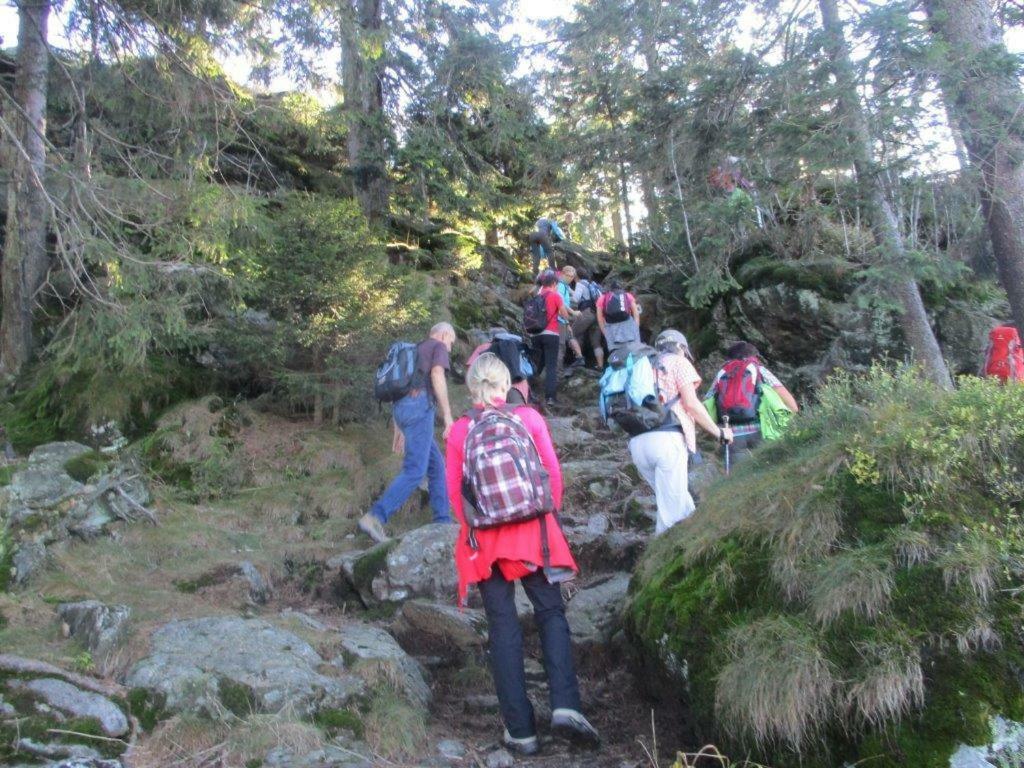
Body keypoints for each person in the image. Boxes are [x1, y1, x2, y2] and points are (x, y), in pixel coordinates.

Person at [446, 353, 600, 755]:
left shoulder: (461, 430)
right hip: (534, 534)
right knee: (550, 612)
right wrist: (546, 516)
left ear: (471, 387)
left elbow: (454, 498)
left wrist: (478, 529)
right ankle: (566, 705)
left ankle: (521, 730)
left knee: (503, 627)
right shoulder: (528, 418)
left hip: (486, 543)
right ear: (506, 384)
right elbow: (552, 473)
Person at [359, 322, 457, 542]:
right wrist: (448, 414)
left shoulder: (414, 349)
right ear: (443, 335)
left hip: (403, 412)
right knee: (415, 470)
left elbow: (401, 390)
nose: (449, 348)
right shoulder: (437, 346)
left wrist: (399, 430)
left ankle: (442, 520)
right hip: (420, 409)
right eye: (451, 342)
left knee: (436, 465)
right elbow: (438, 374)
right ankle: (375, 516)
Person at [629, 330, 733, 535]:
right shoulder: (678, 362)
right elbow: (691, 404)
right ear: (680, 347)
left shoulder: (641, 365)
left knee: (676, 499)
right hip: (667, 438)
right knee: (671, 515)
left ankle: (695, 535)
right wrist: (719, 433)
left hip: (638, 440)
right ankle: (662, 559)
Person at [706, 341, 798, 462]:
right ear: (753, 356)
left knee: (739, 478)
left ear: (728, 358)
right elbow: (792, 405)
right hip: (762, 431)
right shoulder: (759, 370)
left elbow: (707, 403)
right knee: (768, 472)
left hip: (732, 436)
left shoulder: (722, 374)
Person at [531, 270, 571, 406]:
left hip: (536, 334)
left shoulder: (537, 295)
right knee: (551, 366)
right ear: (554, 283)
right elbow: (564, 315)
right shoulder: (556, 296)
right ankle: (550, 398)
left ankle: (528, 390)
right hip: (551, 334)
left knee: (536, 364)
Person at [468, 327, 531, 403]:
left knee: (492, 413)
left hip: (493, 387)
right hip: (518, 386)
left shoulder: (484, 347)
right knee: (518, 413)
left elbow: (471, 366)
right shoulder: (515, 347)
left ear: (492, 337)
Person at [568, 268, 604, 370]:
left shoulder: (580, 284)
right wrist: (570, 291)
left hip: (586, 313)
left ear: (576, 276)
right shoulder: (591, 283)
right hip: (596, 314)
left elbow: (576, 298)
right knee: (596, 342)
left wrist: (564, 297)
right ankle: (600, 365)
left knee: (572, 333)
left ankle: (579, 359)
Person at [596, 279, 641, 355]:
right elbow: (636, 313)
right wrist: (636, 327)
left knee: (616, 353)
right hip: (628, 326)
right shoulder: (627, 295)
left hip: (611, 328)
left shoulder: (602, 298)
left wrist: (605, 333)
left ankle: (618, 366)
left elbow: (600, 319)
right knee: (634, 351)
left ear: (610, 289)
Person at [556, 267, 586, 373]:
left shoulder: (565, 286)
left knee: (568, 338)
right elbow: (560, 303)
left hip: (564, 319)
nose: (570, 278)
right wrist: (573, 313)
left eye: (572, 276)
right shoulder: (560, 286)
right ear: (563, 273)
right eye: (568, 275)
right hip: (559, 319)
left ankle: (579, 357)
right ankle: (558, 371)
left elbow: (571, 297)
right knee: (561, 345)